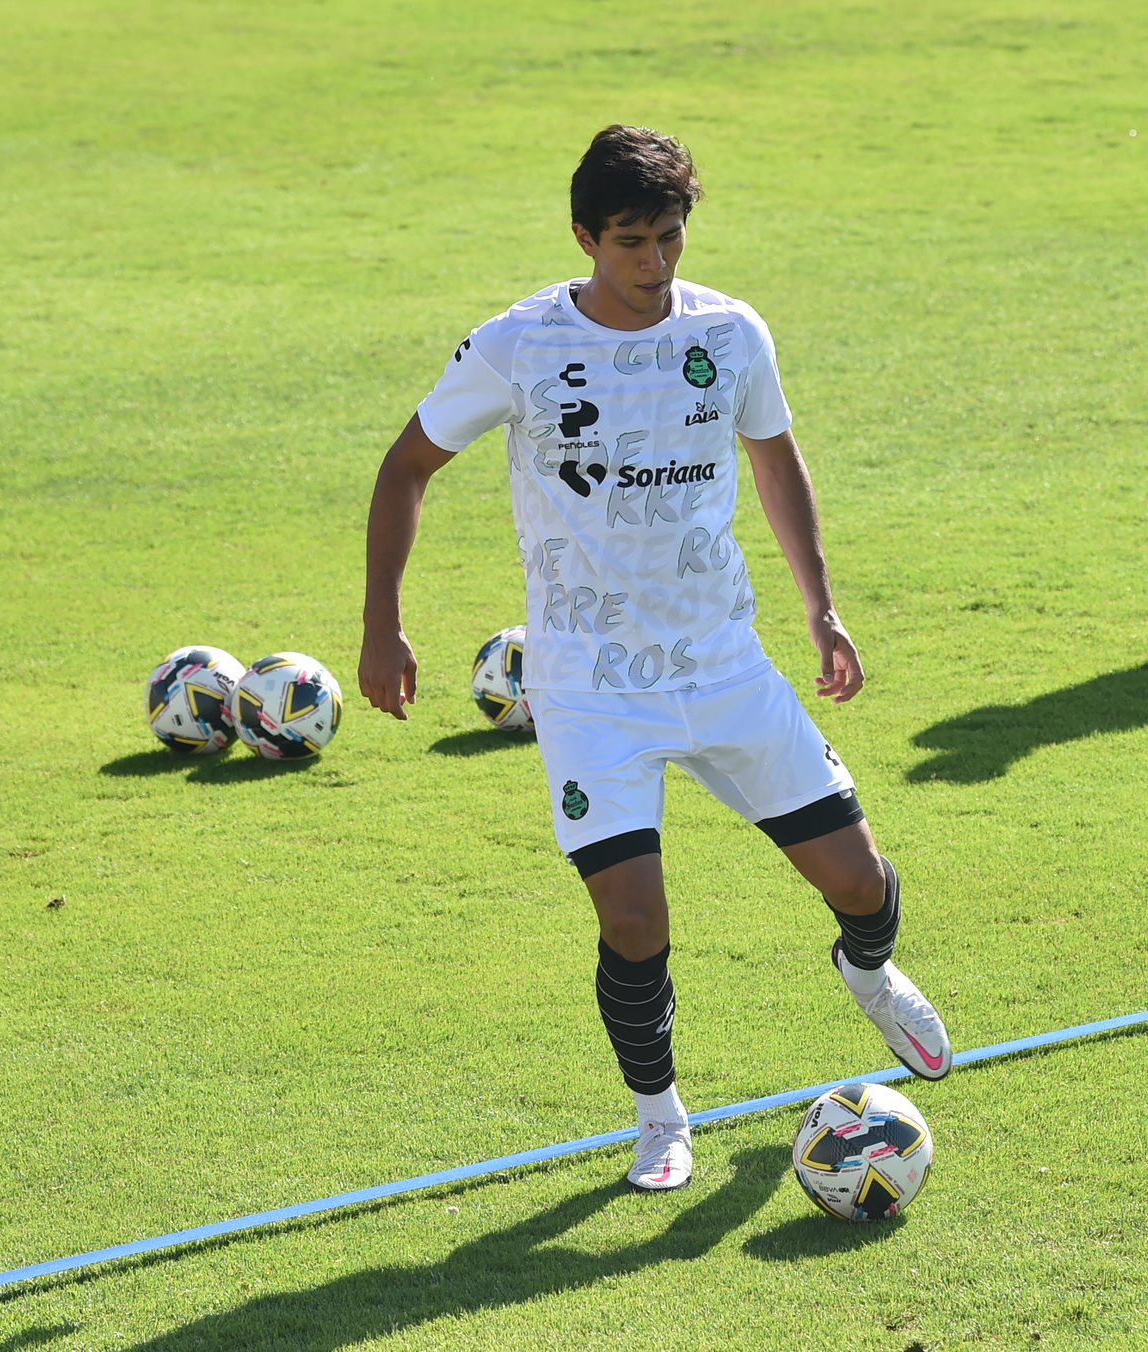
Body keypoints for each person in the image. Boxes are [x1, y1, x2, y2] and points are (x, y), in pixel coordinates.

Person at [359, 124, 951, 1192]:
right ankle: (658, 1117)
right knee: (632, 919)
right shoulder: (517, 345)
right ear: (584, 236)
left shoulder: (729, 332)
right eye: (630, 241)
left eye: (669, 237)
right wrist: (380, 621)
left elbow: (775, 459)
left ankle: (867, 972)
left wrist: (821, 609)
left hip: (724, 667)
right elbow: (405, 466)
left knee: (861, 883)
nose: (653, 262)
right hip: (592, 690)